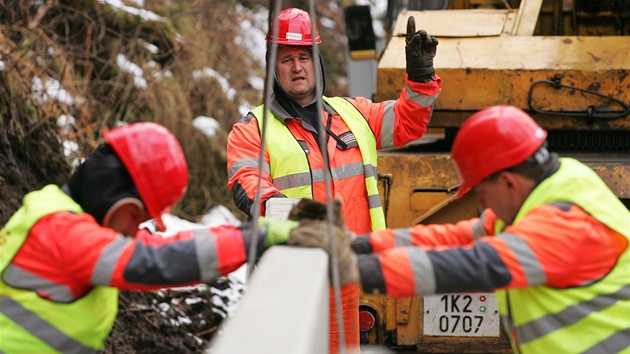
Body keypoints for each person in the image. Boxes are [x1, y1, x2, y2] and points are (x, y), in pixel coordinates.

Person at [298, 105, 630, 354]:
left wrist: (353, 269)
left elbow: (470, 264)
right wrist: (359, 244)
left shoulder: (564, 226)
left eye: (481, 194)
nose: (482, 205)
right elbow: (450, 237)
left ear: (508, 182)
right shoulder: (549, 190)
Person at [0, 122, 342, 353]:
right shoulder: (62, 231)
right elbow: (155, 263)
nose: (135, 231)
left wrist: (249, 233)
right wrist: (259, 236)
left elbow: (160, 249)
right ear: (116, 196)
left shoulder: (54, 210)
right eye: (137, 217)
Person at [226, 7, 441, 352]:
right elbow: (247, 182)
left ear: (317, 60)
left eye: (304, 56)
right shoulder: (252, 129)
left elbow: (406, 122)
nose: (297, 67)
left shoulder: (354, 113)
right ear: (271, 67)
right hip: (290, 278)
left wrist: (419, 75)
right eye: (286, 59)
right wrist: (281, 207)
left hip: (347, 277)